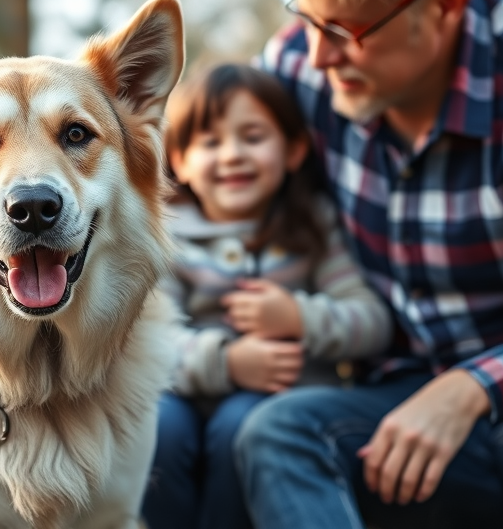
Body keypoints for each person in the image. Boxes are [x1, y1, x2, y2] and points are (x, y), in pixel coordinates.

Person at [237, 0, 503, 528]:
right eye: (310, 20)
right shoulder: (299, 65)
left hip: (502, 387)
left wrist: (470, 389)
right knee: (278, 434)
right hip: (395, 399)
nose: (320, 55)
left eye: (345, 30)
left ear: (446, 5)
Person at [140, 63, 392, 529]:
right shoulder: (167, 237)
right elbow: (151, 341)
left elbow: (372, 320)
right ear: (178, 160)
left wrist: (299, 317)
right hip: (184, 393)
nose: (232, 155)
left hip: (279, 399)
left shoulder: (312, 228)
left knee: (241, 426)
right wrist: (227, 362)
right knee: (157, 428)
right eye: (210, 143)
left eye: (253, 137)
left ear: (294, 150)